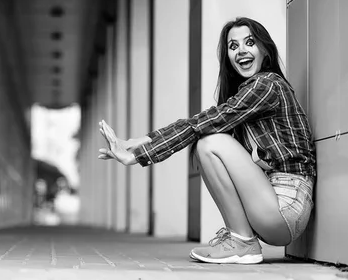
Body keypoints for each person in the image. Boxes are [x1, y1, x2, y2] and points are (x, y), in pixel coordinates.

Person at [97, 17, 316, 265]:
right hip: (272, 206)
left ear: (265, 50)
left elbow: (203, 123)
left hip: (287, 206)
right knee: (207, 142)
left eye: (250, 42)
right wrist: (140, 141)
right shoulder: (247, 93)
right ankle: (242, 240)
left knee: (209, 143)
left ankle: (242, 242)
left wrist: (139, 153)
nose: (241, 50)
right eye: (233, 46)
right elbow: (203, 121)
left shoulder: (268, 85)